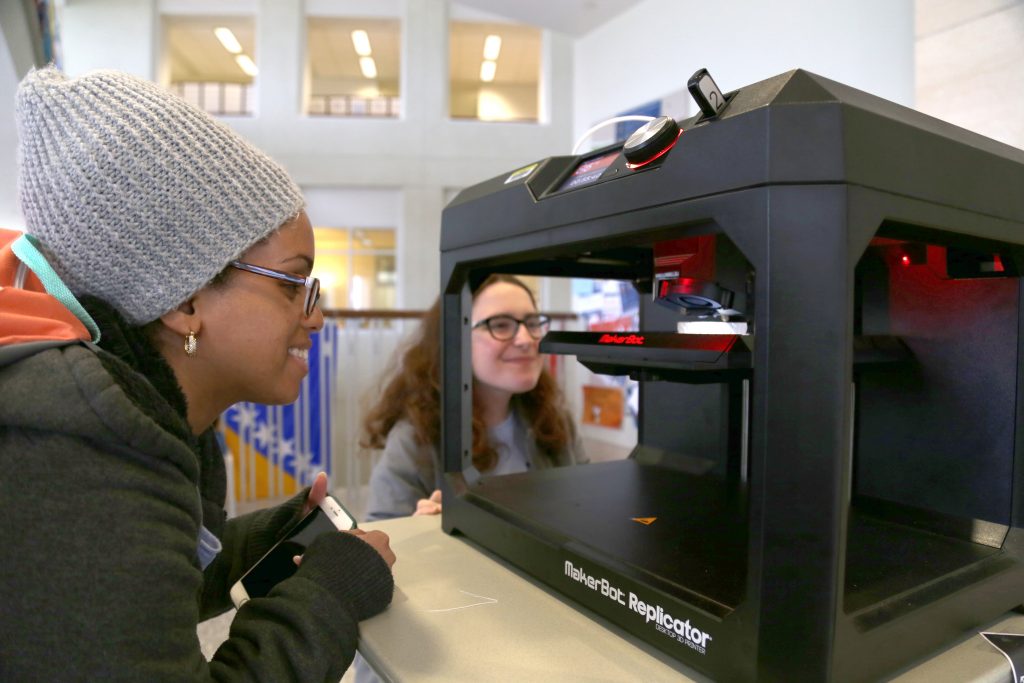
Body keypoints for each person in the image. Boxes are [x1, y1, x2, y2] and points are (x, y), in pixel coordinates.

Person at [0, 66, 395, 681]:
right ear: (185, 297)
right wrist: (332, 593)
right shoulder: (73, 456)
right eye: (295, 283)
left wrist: (271, 538)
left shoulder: (124, 418)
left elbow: (136, 598)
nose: (314, 317)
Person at [361, 274, 587, 521]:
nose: (526, 340)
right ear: (455, 339)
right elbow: (380, 537)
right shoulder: (416, 438)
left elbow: (587, 506)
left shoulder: (554, 420)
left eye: (532, 323)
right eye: (500, 325)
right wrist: (417, 533)